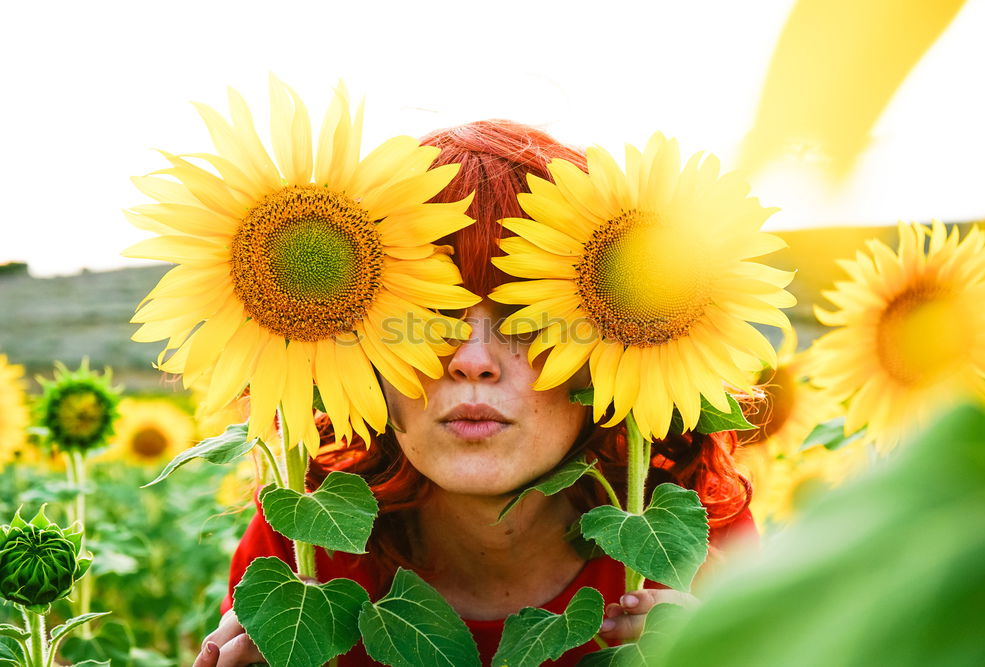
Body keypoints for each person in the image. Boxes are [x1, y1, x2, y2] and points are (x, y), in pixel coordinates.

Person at [193, 120, 757, 667]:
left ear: (610, 335)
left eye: (526, 314)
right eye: (428, 314)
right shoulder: (307, 547)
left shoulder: (697, 539)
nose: (472, 361)